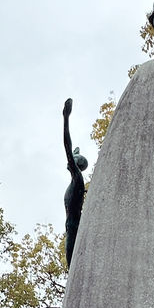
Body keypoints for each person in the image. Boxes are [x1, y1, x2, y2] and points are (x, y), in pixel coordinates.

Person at [62, 98, 88, 270]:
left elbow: (67, 147)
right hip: (70, 226)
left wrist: (66, 119)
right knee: (71, 270)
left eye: (73, 159)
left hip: (74, 227)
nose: (69, 160)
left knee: (72, 270)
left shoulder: (78, 179)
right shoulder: (75, 182)